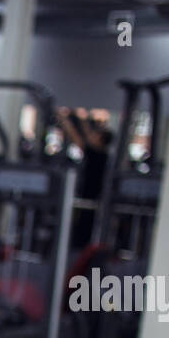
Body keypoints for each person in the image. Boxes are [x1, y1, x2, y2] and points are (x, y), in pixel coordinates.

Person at [56, 106, 114, 250]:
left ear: (100, 140)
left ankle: (79, 254)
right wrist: (81, 118)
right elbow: (87, 136)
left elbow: (75, 136)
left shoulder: (96, 154)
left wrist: (64, 120)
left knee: (83, 231)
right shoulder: (101, 154)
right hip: (90, 197)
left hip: (89, 199)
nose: (92, 136)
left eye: (96, 135)